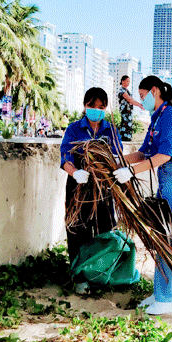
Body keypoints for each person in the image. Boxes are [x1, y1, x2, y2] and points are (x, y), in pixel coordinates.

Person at [113, 76, 172, 315]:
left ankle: (168, 300)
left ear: (155, 91)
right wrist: (115, 161)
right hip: (167, 177)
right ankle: (160, 294)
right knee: (161, 234)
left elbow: (163, 156)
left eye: (142, 96)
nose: (142, 100)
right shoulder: (157, 117)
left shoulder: (170, 116)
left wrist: (129, 172)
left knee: (168, 238)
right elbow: (143, 153)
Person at [60, 87, 123, 294]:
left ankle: (100, 274)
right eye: (92, 106)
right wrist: (76, 173)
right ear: (85, 105)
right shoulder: (74, 129)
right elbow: (65, 159)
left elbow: (118, 157)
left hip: (104, 186)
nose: (96, 110)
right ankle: (79, 277)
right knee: (77, 229)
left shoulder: (111, 131)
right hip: (78, 186)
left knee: (105, 229)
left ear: (105, 108)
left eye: (101, 107)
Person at [118, 75, 144, 141]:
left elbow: (132, 100)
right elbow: (130, 100)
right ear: (122, 81)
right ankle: (124, 139)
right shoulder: (122, 90)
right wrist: (139, 105)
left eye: (129, 81)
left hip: (129, 111)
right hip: (125, 111)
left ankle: (128, 139)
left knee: (129, 126)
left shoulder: (127, 90)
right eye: (126, 81)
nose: (128, 83)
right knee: (125, 125)